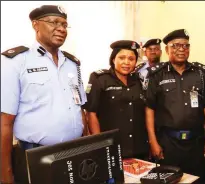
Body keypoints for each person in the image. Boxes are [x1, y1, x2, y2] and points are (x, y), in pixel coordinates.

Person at [1, 5, 87, 184]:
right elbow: (5, 122)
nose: (61, 29)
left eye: (64, 24)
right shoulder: (16, 61)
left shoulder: (73, 64)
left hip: (74, 152)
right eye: (54, 22)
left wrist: (86, 148)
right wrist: (5, 173)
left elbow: (80, 110)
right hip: (35, 156)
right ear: (35, 25)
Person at [145, 29, 205, 183]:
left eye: (185, 46)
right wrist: (153, 141)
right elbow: (150, 109)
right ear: (167, 50)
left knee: (198, 180)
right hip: (168, 144)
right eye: (176, 46)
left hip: (196, 143)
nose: (181, 50)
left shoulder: (200, 73)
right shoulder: (157, 75)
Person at [84, 40, 149, 159]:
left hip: (139, 147)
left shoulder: (139, 81)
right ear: (113, 59)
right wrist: (99, 143)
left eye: (131, 59)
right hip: (111, 147)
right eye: (122, 58)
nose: (126, 62)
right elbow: (91, 113)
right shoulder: (99, 79)